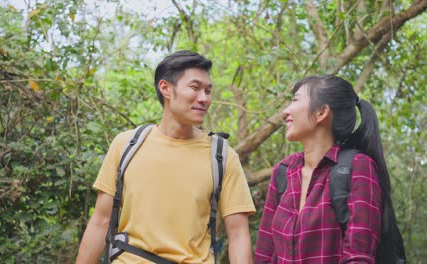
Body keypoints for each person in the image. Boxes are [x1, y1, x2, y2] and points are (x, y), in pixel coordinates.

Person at [76, 50, 256, 264]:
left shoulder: (222, 156)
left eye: (208, 91)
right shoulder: (126, 144)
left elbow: (238, 235)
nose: (204, 98)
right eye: (195, 88)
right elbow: (100, 221)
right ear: (166, 89)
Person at [254, 75, 400, 263]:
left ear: (321, 113)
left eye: (295, 100)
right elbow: (264, 255)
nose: (285, 111)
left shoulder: (358, 167)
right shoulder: (283, 172)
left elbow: (358, 256)